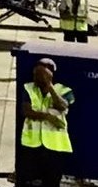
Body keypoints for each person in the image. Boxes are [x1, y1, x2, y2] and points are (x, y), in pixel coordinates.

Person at [18, 58, 74, 187]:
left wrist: (49, 86)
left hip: (55, 147)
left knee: (52, 182)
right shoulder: (29, 88)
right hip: (32, 145)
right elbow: (26, 111)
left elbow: (62, 106)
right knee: (29, 182)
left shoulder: (64, 90)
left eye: (41, 74)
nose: (36, 78)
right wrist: (48, 116)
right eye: (35, 74)